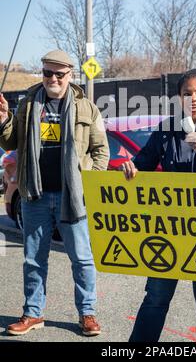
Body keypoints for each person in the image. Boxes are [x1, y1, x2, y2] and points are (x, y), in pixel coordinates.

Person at [122, 68, 196, 342]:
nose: (193, 99)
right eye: (186, 94)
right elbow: (142, 163)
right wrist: (131, 168)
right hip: (171, 228)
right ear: (179, 98)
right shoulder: (167, 128)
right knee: (156, 296)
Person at [0, 50, 110, 336]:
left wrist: (89, 182)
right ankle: (32, 314)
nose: (52, 79)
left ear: (69, 75)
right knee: (34, 259)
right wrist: (3, 119)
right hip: (35, 195)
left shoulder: (87, 108)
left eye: (58, 74)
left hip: (72, 197)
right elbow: (9, 140)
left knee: (82, 258)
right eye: (47, 73)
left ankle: (87, 314)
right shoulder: (27, 104)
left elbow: (101, 151)